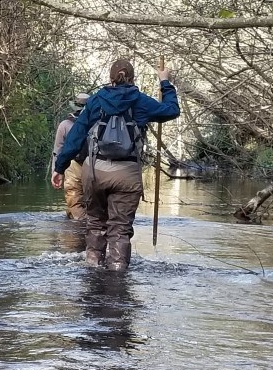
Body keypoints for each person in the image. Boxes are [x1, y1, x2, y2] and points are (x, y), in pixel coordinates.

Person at [51, 58, 179, 271]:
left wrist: (60, 167)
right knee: (120, 230)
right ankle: (117, 280)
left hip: (94, 171)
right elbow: (171, 110)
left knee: (95, 224)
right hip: (127, 174)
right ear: (132, 78)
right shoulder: (140, 101)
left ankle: (93, 271)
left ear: (110, 79)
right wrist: (164, 82)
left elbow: (76, 135)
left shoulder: (96, 101)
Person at [51, 93, 90, 220]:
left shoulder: (65, 124)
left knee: (75, 202)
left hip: (72, 165)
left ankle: (78, 231)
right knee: (92, 202)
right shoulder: (97, 122)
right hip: (95, 166)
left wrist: (56, 172)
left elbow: (58, 150)